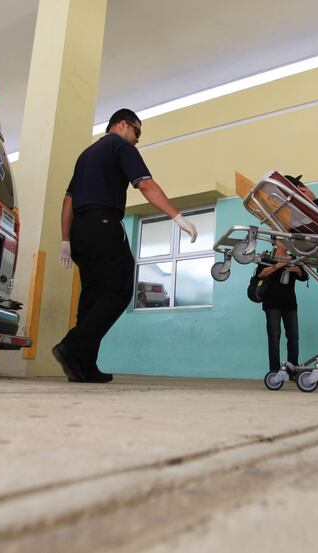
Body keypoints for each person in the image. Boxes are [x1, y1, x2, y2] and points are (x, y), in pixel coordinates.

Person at [52, 109, 198, 383]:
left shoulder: (85, 155)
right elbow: (145, 185)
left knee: (92, 297)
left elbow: (68, 201)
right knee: (119, 289)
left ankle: (83, 367)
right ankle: (72, 346)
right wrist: (177, 216)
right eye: (137, 132)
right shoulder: (120, 145)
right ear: (122, 125)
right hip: (103, 223)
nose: (137, 140)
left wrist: (65, 240)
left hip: (80, 230)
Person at [256, 241, 308, 374]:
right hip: (272, 304)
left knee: (293, 337)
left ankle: (293, 371)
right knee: (274, 337)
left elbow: (304, 276)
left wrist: (296, 269)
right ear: (275, 242)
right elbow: (261, 274)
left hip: (290, 304)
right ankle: (274, 371)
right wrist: (279, 265)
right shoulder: (267, 259)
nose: (286, 242)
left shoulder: (293, 259)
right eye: (281, 239)